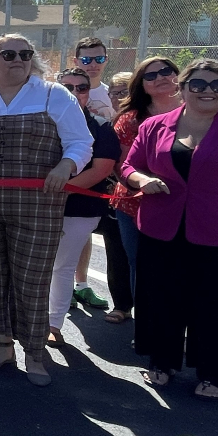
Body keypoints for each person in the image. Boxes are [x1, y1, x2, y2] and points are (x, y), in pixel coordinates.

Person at [0, 33, 92, 387]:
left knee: (31, 282)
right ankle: (3, 347)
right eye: (8, 54)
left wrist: (67, 166)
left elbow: (82, 142)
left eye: (24, 53)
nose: (16, 59)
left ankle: (34, 354)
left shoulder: (55, 95)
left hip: (38, 207)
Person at [123, 58, 218, 400]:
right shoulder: (154, 126)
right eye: (200, 85)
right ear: (183, 87)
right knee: (161, 298)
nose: (209, 92)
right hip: (163, 228)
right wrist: (142, 180)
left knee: (217, 305)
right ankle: (162, 362)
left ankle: (214, 374)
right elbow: (130, 165)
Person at [45, 69, 119, 348]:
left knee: (61, 266)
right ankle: (27, 321)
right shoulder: (40, 121)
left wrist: (59, 189)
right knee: (32, 265)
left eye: (82, 88)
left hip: (80, 208)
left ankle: (53, 324)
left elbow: (101, 169)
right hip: (36, 204)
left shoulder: (101, 126)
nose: (75, 93)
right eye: (67, 87)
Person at [110, 56, 182, 311]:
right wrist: (143, 183)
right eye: (150, 76)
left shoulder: (199, 111)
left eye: (165, 71)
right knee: (141, 266)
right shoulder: (131, 119)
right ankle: (146, 328)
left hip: (186, 207)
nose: (160, 77)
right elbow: (121, 165)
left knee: (181, 268)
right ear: (142, 84)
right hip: (135, 207)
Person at [98, 72, 135, 323]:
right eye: (114, 93)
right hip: (114, 198)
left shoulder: (143, 119)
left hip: (144, 195)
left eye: (124, 92)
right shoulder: (106, 122)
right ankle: (121, 304)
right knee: (116, 250)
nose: (118, 98)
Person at [73, 37, 115, 121]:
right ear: (76, 62)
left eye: (99, 59)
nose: (93, 64)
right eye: (86, 60)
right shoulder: (65, 93)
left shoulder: (113, 95)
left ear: (106, 59)